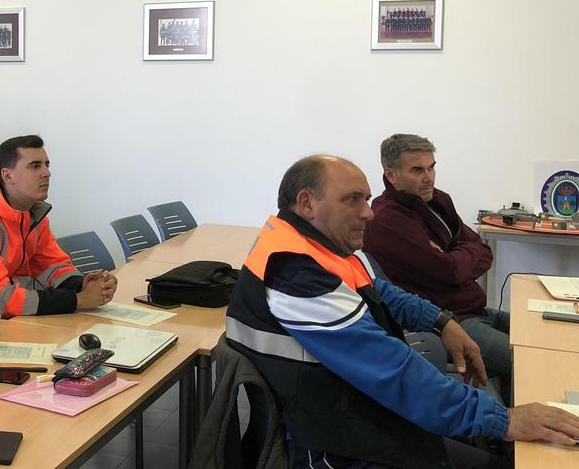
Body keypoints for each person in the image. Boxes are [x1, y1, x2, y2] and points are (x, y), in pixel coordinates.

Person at [226, 155, 579, 469]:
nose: (368, 211)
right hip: (332, 442)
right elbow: (393, 371)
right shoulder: (296, 275)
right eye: (353, 200)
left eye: (366, 198)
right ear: (307, 203)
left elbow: (380, 292)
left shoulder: (317, 246)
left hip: (355, 407)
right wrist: (505, 421)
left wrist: (442, 322)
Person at [364, 133, 511, 398]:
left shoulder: (437, 202)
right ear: (391, 174)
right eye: (417, 170)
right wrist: (459, 256)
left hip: (476, 309)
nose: (428, 177)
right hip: (454, 321)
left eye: (431, 167)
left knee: (549, 337)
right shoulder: (387, 219)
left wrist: (455, 255)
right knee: (534, 360)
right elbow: (451, 271)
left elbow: (484, 250)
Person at [0, 135, 116, 317]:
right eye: (35, 166)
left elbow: (53, 267)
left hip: (21, 321)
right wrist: (78, 300)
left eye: (47, 164)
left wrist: (83, 284)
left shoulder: (34, 214)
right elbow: (0, 298)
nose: (46, 173)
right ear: (7, 176)